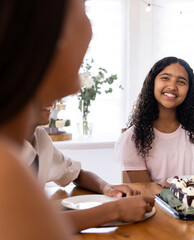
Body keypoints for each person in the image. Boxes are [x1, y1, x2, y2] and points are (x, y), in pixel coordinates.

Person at [0, 0, 153, 238]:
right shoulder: (7, 167)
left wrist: (107, 189)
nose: (90, 30)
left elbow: (75, 174)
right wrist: (112, 210)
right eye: (83, 8)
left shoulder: (27, 146)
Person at [23, 103, 154, 232]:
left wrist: (106, 187)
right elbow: (28, 225)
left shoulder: (40, 137)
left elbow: (76, 173)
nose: (53, 101)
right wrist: (116, 210)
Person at [114, 56, 194, 183]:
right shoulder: (133, 139)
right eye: (165, 78)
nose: (172, 86)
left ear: (189, 90)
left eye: (181, 82)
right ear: (153, 82)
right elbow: (147, 192)